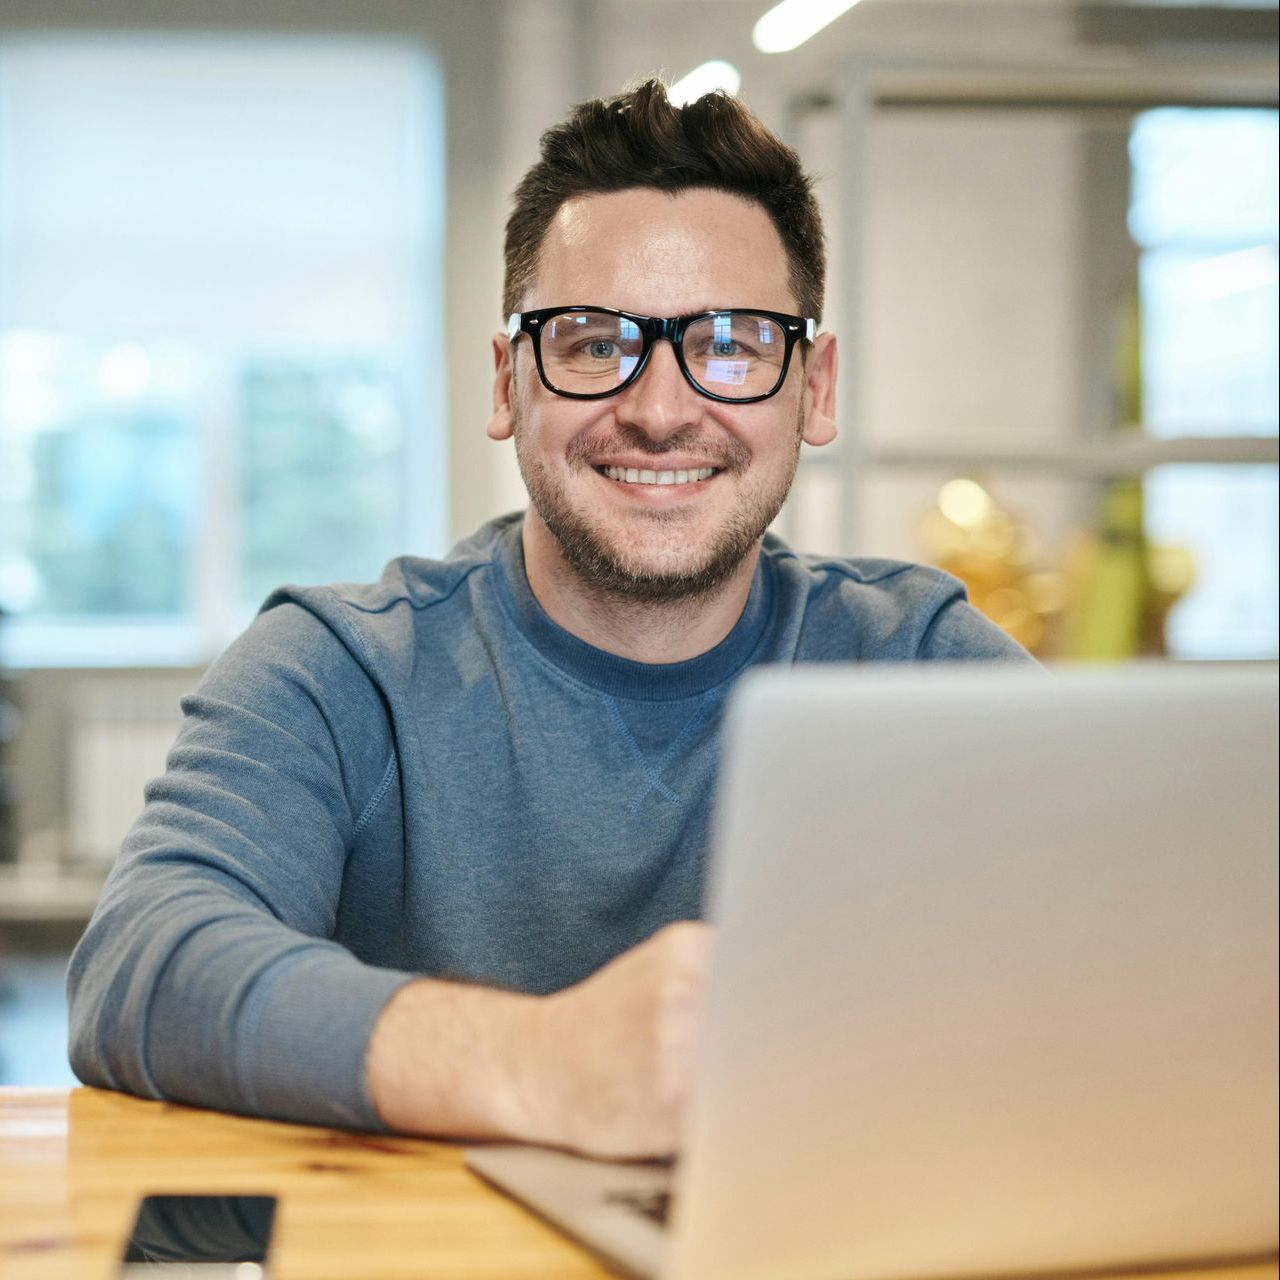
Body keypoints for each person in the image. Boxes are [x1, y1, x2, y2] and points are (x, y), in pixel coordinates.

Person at [67, 81, 1032, 1160]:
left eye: (730, 342)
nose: (661, 410)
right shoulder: (340, 670)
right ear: (506, 382)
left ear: (812, 386)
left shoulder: (921, 665)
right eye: (586, 342)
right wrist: (540, 1061)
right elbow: (144, 966)